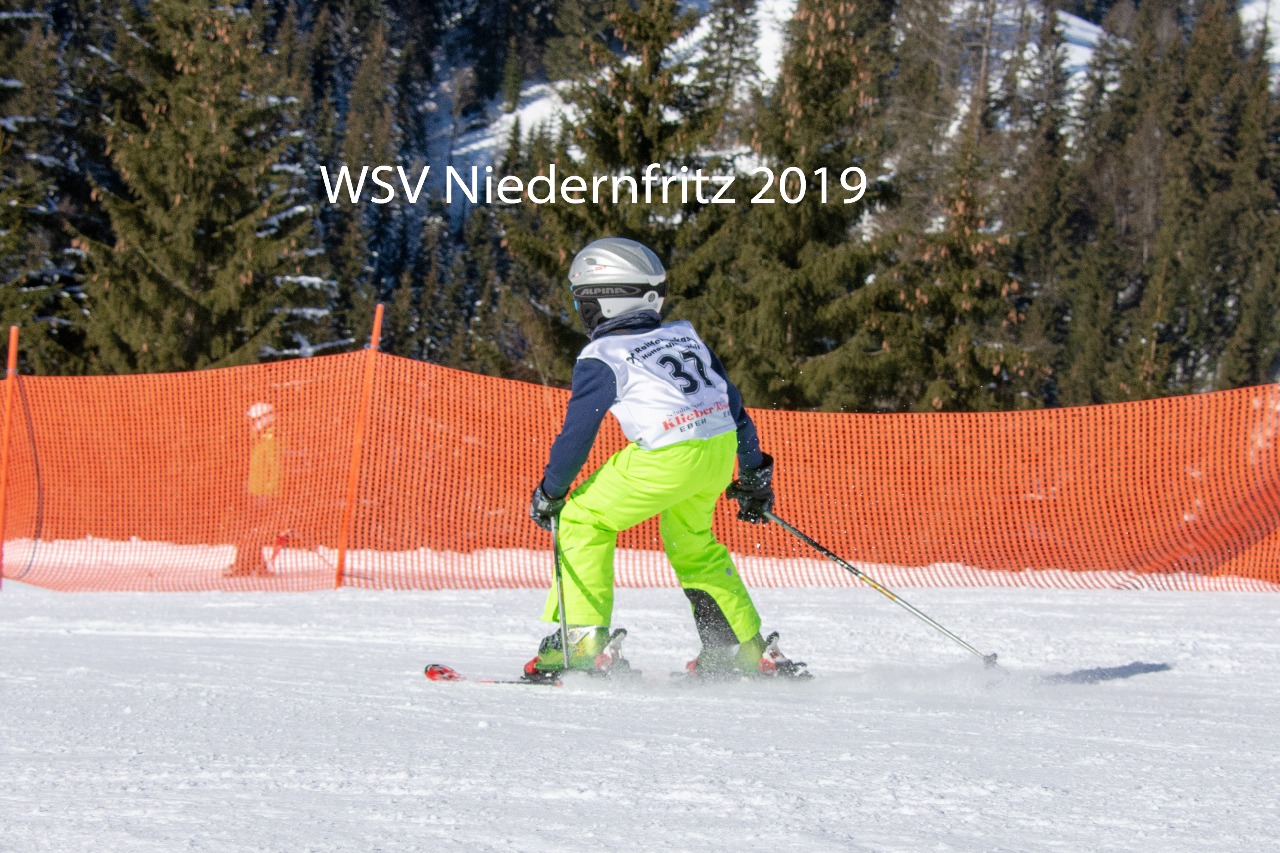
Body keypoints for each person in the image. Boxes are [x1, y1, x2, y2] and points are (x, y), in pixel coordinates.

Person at [526, 237, 806, 679]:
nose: (582, 312)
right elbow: (734, 407)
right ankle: (739, 649)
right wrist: (754, 475)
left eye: (584, 302)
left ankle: (580, 644)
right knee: (691, 542)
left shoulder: (603, 355)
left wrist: (551, 491)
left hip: (667, 456)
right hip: (716, 451)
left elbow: (577, 434)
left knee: (581, 519)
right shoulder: (684, 337)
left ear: (607, 302)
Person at [226, 401, 282, 577]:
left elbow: (276, 470)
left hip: (264, 495)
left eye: (253, 421)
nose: (251, 425)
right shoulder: (262, 441)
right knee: (249, 530)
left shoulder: (271, 442)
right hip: (256, 492)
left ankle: (245, 565)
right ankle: (255, 564)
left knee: (248, 530)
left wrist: (270, 492)